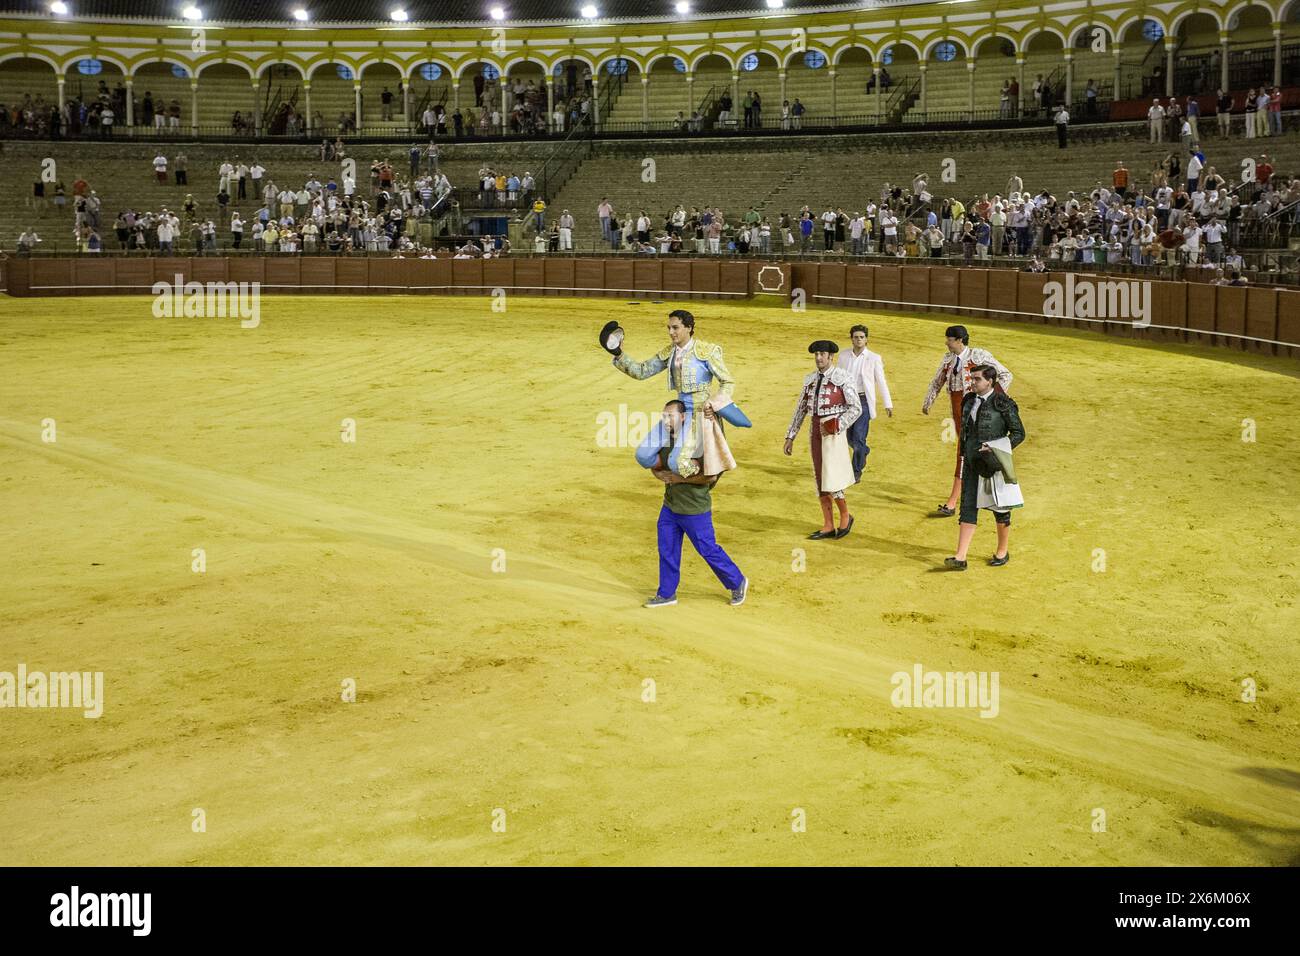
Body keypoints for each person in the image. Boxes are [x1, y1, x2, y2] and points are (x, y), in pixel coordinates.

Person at [605, 309, 749, 479]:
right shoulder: (669, 352)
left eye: (675, 328)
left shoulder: (707, 351)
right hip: (677, 412)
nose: (671, 332)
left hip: (700, 413)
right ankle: (676, 475)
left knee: (677, 463)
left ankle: (706, 474)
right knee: (643, 456)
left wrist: (715, 404)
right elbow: (641, 371)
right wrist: (618, 353)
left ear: (688, 328)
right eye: (669, 328)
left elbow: (727, 381)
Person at [643, 399, 747, 609]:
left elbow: (710, 477)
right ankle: (666, 593)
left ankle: (737, 582)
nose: (665, 420)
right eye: (663, 416)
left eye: (670, 416)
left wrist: (678, 479)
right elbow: (656, 465)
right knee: (667, 549)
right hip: (670, 506)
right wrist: (659, 474)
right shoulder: (666, 441)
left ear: (683, 417)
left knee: (708, 549)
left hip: (695, 509)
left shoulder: (698, 442)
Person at [921, 325, 1012, 518]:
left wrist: (991, 400)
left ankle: (955, 501)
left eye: (949, 339)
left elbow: (1005, 375)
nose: (946, 342)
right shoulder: (948, 359)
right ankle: (977, 496)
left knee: (965, 453)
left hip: (977, 413)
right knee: (967, 452)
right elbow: (937, 381)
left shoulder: (978, 357)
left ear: (959, 340)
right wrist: (928, 401)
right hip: (959, 412)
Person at [943, 364, 1025, 570]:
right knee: (968, 505)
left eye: (977, 379)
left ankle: (1002, 551)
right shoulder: (969, 400)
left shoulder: (1003, 402)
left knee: (1001, 507)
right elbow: (966, 432)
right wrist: (963, 455)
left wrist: (997, 448)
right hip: (972, 460)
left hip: (995, 463)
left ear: (990, 381)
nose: (973, 382)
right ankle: (960, 557)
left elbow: (1018, 433)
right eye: (972, 378)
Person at [784, 340, 862, 540]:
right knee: (819, 477)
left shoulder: (843, 378)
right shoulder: (809, 380)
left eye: (822, 354)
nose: (818, 358)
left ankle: (845, 515)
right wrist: (790, 436)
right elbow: (800, 409)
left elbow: (856, 408)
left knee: (832, 475)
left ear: (830, 357)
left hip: (833, 432)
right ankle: (828, 524)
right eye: (816, 354)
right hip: (815, 430)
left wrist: (837, 425)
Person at [837, 324, 893, 484]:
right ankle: (864, 451)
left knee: (859, 437)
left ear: (866, 339)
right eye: (856, 337)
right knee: (849, 438)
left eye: (861, 337)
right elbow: (838, 378)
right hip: (847, 401)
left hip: (864, 401)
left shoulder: (874, 358)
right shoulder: (843, 356)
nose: (859, 340)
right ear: (851, 339)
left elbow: (881, 381)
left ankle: (856, 471)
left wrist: (887, 403)